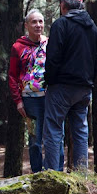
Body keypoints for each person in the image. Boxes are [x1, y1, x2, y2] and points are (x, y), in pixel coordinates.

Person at [43, 0, 97, 172]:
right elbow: (96, 60)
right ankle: (81, 174)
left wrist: (49, 81)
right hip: (84, 88)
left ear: (63, 5)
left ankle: (53, 176)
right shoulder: (93, 28)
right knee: (80, 131)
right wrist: (90, 83)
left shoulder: (61, 25)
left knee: (53, 130)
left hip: (61, 86)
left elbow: (52, 58)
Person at [8, 9, 63, 173]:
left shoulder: (50, 43)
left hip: (52, 99)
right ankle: (37, 174)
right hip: (30, 101)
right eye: (34, 22)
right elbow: (12, 75)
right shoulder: (18, 47)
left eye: (40, 21)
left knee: (56, 137)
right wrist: (18, 101)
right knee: (35, 140)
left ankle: (56, 172)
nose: (38, 25)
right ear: (26, 25)